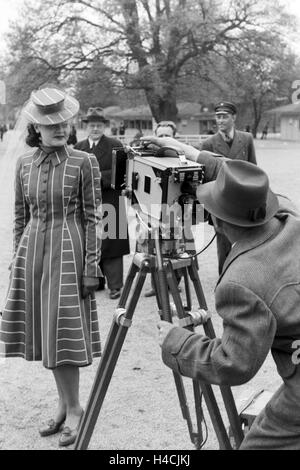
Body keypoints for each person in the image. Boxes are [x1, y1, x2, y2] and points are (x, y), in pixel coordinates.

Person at [142, 134, 300, 450]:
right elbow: (248, 184)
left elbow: (233, 362)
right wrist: (195, 155)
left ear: (217, 221)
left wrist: (176, 342)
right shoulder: (288, 215)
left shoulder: (241, 282)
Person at [0, 87, 102, 447]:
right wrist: (16, 260)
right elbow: (19, 217)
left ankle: (75, 408)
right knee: (46, 330)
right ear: (36, 129)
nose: (60, 128)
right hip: (33, 252)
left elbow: (94, 218)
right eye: (50, 124)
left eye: (64, 122)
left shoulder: (83, 162)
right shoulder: (23, 163)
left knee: (62, 328)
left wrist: (92, 265)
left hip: (68, 251)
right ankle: (63, 404)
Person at [75, 107, 130, 300]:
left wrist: (96, 178)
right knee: (91, 240)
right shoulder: (78, 147)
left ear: (104, 126)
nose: (95, 128)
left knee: (112, 241)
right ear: (86, 127)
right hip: (87, 201)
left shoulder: (115, 145)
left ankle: (116, 286)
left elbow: (123, 173)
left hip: (111, 199)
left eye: (99, 125)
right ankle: (97, 280)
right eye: (92, 125)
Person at [201, 101, 257, 274]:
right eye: (218, 117)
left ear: (234, 117)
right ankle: (225, 279)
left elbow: (253, 169)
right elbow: (205, 178)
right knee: (223, 245)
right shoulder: (209, 144)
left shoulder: (246, 139)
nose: (220, 120)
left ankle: (245, 278)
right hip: (221, 203)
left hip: (242, 201)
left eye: (225, 116)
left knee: (246, 241)